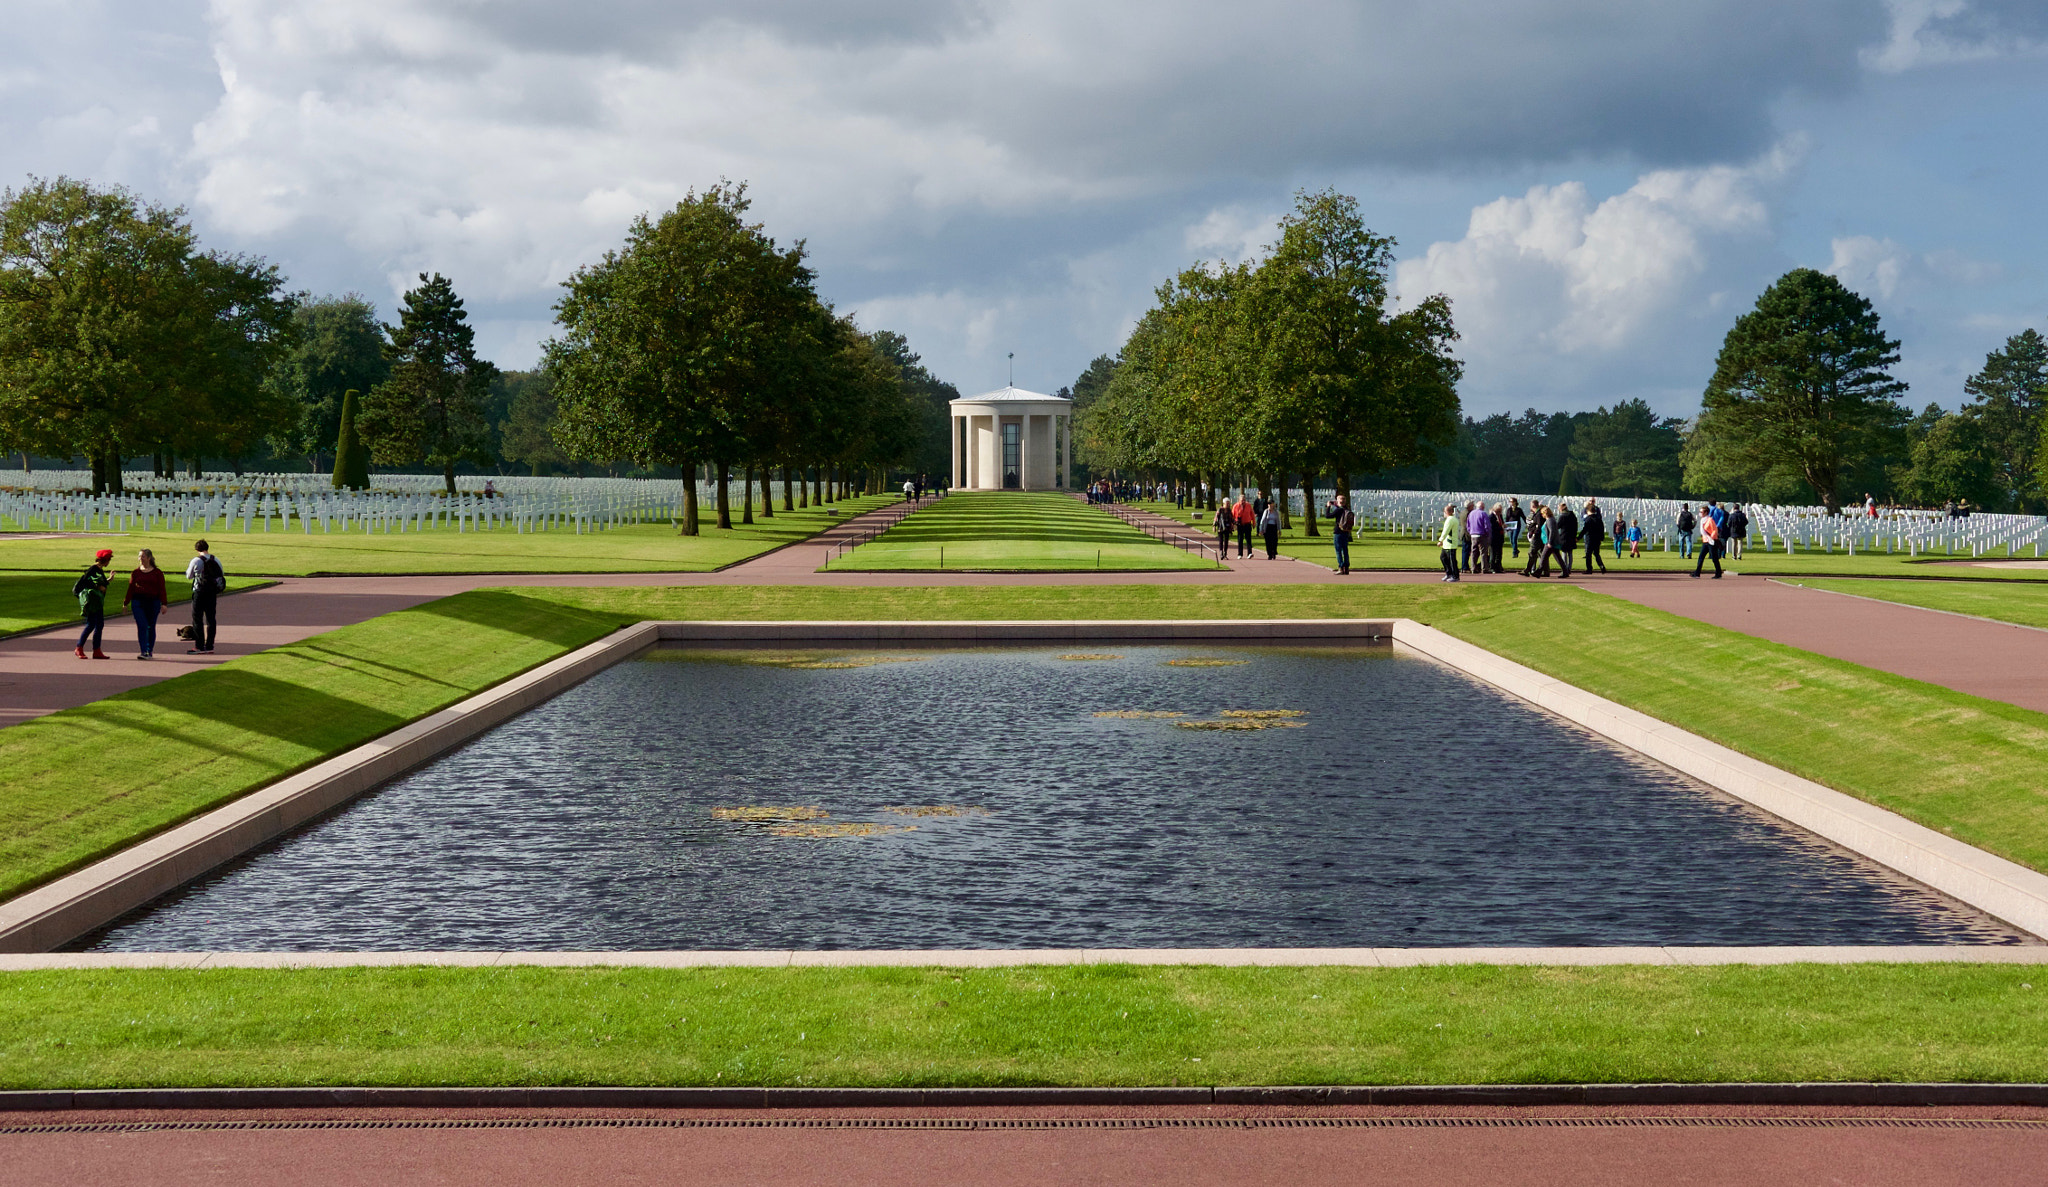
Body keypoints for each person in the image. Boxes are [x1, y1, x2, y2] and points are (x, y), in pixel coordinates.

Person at [123, 547, 169, 660]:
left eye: (142, 556)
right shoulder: (136, 573)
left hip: (153, 602)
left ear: (149, 558)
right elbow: (130, 589)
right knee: (142, 625)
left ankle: (149, 650)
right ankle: (143, 651)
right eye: (139, 556)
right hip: (138, 602)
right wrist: (125, 603)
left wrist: (164, 604)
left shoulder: (157, 573)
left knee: (150, 626)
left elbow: (162, 589)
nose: (140, 558)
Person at [184, 539, 223, 654]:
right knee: (211, 619)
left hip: (199, 591)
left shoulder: (196, 561)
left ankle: (199, 646)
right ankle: (210, 645)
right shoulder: (216, 559)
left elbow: (189, 576)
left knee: (197, 619)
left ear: (197, 549)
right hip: (212, 592)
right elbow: (221, 574)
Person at [72, 549, 113, 660]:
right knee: (91, 624)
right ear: (105, 560)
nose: (109, 562)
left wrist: (109, 579)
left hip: (97, 601)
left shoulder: (99, 569)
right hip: (91, 602)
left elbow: (102, 583)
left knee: (99, 625)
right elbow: (86, 582)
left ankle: (97, 650)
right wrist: (97, 587)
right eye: (109, 559)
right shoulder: (93, 569)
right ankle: (79, 647)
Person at [1692, 505, 1724, 578]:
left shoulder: (1710, 520)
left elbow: (1714, 530)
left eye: (1701, 512)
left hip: (1711, 541)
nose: (1700, 513)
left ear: (1706, 512)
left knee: (1714, 558)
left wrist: (1711, 537)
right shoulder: (1702, 520)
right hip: (1705, 541)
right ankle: (1697, 573)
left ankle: (1718, 573)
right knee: (1701, 557)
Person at [1579, 499, 1606, 574]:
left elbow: (1585, 530)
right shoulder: (1599, 519)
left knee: (1588, 554)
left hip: (1590, 539)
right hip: (1597, 539)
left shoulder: (1588, 519)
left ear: (1588, 511)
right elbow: (1602, 529)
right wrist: (1602, 537)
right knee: (1596, 553)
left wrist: (1578, 537)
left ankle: (1589, 569)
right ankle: (1601, 566)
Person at [1330, 494, 1355, 575]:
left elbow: (1328, 516)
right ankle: (1346, 568)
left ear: (1338, 501)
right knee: (1345, 550)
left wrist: (1328, 507)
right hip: (1346, 532)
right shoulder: (1347, 510)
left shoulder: (1338, 510)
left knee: (1338, 551)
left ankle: (1341, 567)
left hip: (1338, 531)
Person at [1464, 500, 1491, 574]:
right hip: (1482, 534)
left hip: (1473, 534)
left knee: (1474, 552)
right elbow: (1487, 525)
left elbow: (1468, 525)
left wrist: (1471, 532)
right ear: (1482, 507)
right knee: (1483, 552)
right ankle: (1484, 568)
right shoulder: (1483, 513)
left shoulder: (1471, 514)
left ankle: (1473, 568)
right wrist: (1488, 534)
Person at [1553, 501, 1578, 578]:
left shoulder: (1562, 516)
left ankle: (1565, 568)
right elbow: (1575, 525)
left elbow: (1558, 526)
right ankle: (1569, 568)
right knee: (1570, 553)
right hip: (1571, 535)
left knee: (1564, 553)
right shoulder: (1572, 515)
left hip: (1564, 536)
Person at [1437, 504, 1461, 582]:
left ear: (1447, 512)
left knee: (1452, 560)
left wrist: (1440, 540)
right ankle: (1449, 573)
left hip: (1450, 544)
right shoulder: (1451, 519)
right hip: (1447, 544)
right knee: (1443, 558)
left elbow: (1446, 531)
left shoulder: (1450, 519)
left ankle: (1455, 576)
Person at [1233, 494, 1255, 559]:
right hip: (1240, 525)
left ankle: (1249, 553)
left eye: (1244, 500)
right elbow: (1232, 516)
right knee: (1240, 540)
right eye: (1242, 500)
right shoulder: (1235, 506)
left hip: (1247, 524)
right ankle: (1240, 554)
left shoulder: (1248, 505)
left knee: (1248, 539)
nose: (1243, 502)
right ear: (1239, 500)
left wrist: (1254, 523)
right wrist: (1233, 524)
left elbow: (1252, 514)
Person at [1488, 502, 1506, 574]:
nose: (1499, 512)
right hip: (1493, 537)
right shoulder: (1491, 517)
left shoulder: (1500, 516)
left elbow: (1502, 523)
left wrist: (1504, 526)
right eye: (1498, 511)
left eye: (1500, 511)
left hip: (1500, 537)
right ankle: (1492, 567)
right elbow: (1492, 527)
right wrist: (1500, 526)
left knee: (1499, 553)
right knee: (1493, 553)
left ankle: (1498, 567)